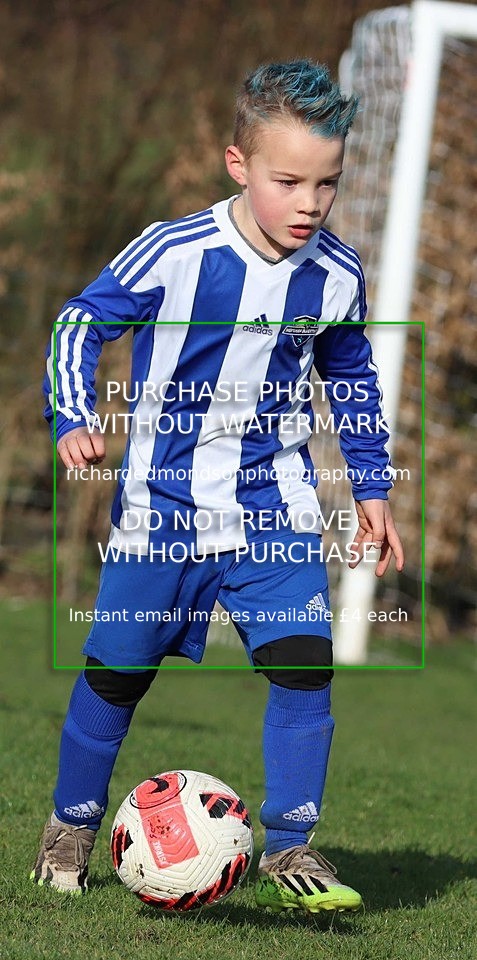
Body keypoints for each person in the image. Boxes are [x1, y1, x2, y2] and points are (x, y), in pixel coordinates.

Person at [34, 60, 404, 912]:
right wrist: (71, 415)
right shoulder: (175, 251)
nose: (310, 202)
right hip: (158, 511)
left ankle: (292, 846)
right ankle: (72, 826)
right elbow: (79, 321)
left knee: (305, 668)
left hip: (273, 505)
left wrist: (372, 488)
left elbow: (349, 378)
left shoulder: (336, 275)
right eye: (288, 182)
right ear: (237, 165)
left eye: (327, 183)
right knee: (116, 676)